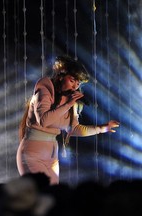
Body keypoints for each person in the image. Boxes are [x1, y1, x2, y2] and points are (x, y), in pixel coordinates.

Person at [16, 55, 119, 185]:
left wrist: (101, 128)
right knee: (40, 194)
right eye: (72, 80)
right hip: (32, 154)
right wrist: (68, 104)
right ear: (61, 76)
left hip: (51, 156)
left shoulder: (70, 102)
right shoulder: (45, 89)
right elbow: (44, 120)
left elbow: (74, 128)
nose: (75, 86)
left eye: (78, 83)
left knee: (54, 197)